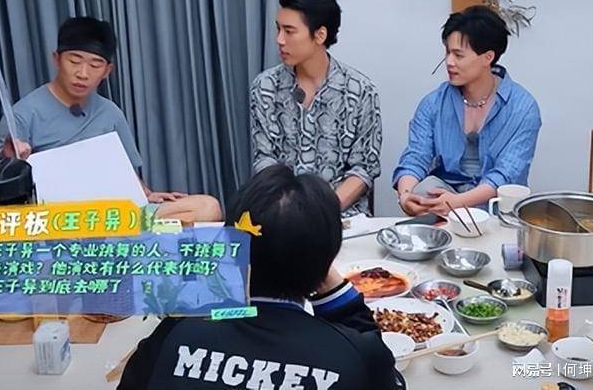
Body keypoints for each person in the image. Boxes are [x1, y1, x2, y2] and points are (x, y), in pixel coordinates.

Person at [118, 164, 406, 390]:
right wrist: (335, 291)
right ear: (327, 260)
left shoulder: (175, 333)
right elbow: (388, 378)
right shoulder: (356, 355)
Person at [0, 17, 221, 222]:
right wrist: (11, 162)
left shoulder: (110, 113)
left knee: (207, 207)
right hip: (59, 218)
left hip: (115, 214)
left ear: (107, 70)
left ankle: (130, 231)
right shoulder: (23, 114)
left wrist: (147, 194)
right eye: (74, 61)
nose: (83, 73)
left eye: (94, 65)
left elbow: (128, 173)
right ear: (57, 59)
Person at [393, 5, 541, 216]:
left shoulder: (523, 108)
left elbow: (507, 174)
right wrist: (406, 195)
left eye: (458, 55)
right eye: (447, 52)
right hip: (442, 207)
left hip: (498, 211)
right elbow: (416, 156)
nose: (449, 62)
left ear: (488, 57)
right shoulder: (433, 103)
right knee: (423, 194)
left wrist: (458, 202)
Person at [250, 0, 382, 217]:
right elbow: (264, 160)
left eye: (289, 31)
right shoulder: (265, 87)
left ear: (320, 35)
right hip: (282, 214)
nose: (279, 39)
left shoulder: (361, 91)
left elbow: (363, 170)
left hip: (341, 217)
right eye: (278, 29)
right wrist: (289, 209)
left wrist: (321, 213)